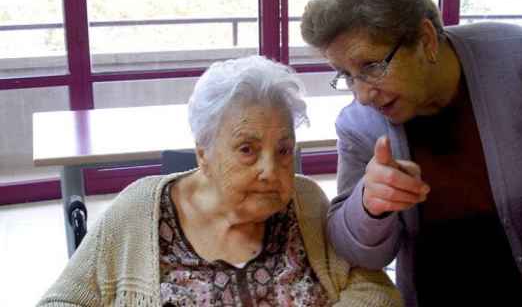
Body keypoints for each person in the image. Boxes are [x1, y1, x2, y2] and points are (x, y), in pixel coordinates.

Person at [301, 0, 522, 306]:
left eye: (371, 66)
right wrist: (369, 204)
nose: (361, 94)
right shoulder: (359, 125)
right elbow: (354, 250)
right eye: (346, 75)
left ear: (426, 39)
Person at [37, 56, 402, 306]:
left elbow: (375, 289)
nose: (269, 170)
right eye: (247, 149)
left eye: (284, 150)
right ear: (203, 154)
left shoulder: (305, 202)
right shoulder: (139, 211)